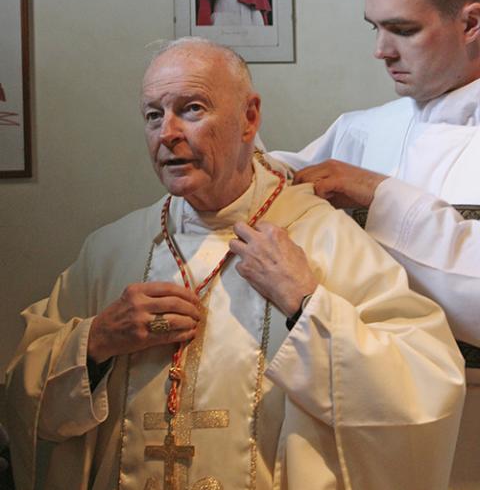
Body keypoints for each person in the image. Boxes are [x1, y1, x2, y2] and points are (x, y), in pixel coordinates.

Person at [6, 38, 464, 490]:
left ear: (249, 119)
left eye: (191, 109)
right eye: (152, 115)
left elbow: (425, 390)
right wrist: (97, 342)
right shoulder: (113, 251)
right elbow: (20, 393)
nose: (167, 133)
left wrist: (307, 305)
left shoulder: (326, 241)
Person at [270, 0, 480, 490]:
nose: (380, 51)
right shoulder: (362, 131)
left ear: (472, 22)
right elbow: (268, 185)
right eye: (376, 28)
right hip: (369, 409)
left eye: (402, 30)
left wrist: (379, 196)